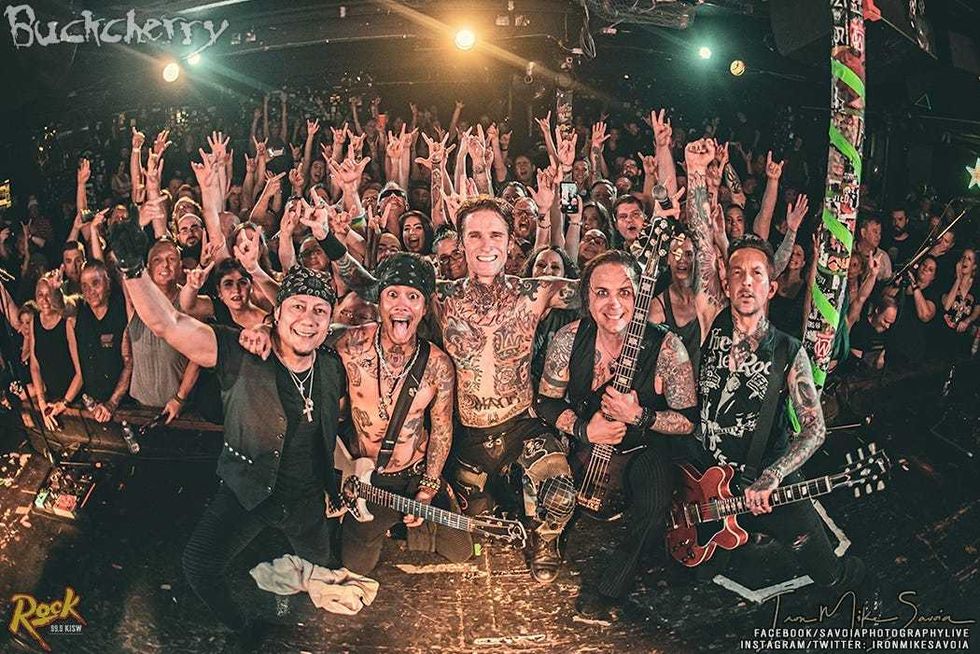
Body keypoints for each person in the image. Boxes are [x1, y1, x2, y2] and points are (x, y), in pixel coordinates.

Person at [314, 195, 581, 583]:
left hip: (521, 426)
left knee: (558, 490)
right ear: (461, 242)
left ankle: (547, 540)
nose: (486, 245)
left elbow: (599, 289)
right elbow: (370, 284)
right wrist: (326, 236)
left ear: (510, 241)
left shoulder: (535, 293)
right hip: (466, 435)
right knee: (474, 528)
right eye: (475, 235)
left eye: (496, 235)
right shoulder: (442, 297)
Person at [111, 220, 345, 645]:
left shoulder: (332, 363)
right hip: (248, 488)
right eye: (298, 306)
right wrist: (131, 270)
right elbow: (168, 324)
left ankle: (301, 629)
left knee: (322, 570)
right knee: (199, 564)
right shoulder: (239, 350)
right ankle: (245, 629)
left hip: (307, 495)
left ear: (330, 321)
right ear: (277, 312)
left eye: (319, 311)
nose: (308, 320)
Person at [684, 138, 864, 591]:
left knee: (828, 573)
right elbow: (703, 241)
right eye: (737, 273)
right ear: (725, 284)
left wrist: (773, 475)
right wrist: (696, 173)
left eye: (757, 274)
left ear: (771, 286)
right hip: (704, 476)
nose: (746, 282)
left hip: (765, 476)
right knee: (691, 567)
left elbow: (815, 429)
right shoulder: (711, 320)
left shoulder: (788, 351)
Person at [535, 250, 697, 620]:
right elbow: (545, 402)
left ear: (640, 296)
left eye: (625, 292)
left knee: (655, 503)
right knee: (543, 477)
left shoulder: (668, 348)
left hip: (641, 446)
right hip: (583, 444)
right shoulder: (569, 339)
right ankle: (547, 542)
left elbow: (687, 421)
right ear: (587, 296)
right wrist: (584, 429)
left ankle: (611, 588)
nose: (614, 304)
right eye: (602, 292)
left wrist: (639, 415)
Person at [330, 253, 471, 574]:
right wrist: (264, 332)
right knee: (356, 565)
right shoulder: (349, 342)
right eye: (392, 294)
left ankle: (408, 522)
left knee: (461, 550)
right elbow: (299, 334)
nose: (401, 305)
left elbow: (442, 429)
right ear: (379, 302)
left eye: (412, 296)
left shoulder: (437, 365)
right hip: (366, 477)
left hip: (413, 475)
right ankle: (388, 525)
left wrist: (428, 488)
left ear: (424, 308)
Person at [126, 238, 201, 423]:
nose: (165, 265)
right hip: (139, 408)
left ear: (181, 266)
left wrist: (179, 398)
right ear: (148, 268)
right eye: (157, 260)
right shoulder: (137, 301)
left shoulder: (189, 302)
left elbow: (197, 358)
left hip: (177, 411)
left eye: (171, 259)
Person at [70, 261, 132, 423]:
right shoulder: (80, 311)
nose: (90, 291)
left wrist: (112, 403)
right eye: (84, 286)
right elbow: (60, 305)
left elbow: (129, 362)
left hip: (123, 406)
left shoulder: (121, 312)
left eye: (95, 283)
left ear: (108, 283)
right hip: (92, 407)